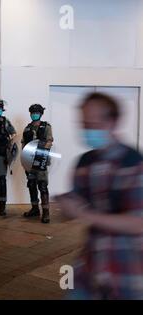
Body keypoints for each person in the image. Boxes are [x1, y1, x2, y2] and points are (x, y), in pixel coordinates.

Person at [56, 92, 143, 300]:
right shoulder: (84, 163)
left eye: (93, 124)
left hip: (126, 266)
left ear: (112, 122)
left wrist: (85, 213)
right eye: (83, 124)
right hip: (91, 264)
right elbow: (76, 207)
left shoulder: (133, 164)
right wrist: (66, 206)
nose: (87, 131)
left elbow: (138, 223)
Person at [21, 104, 54, 224]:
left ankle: (46, 213)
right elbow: (24, 144)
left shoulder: (46, 127)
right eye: (32, 112)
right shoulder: (27, 128)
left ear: (40, 114)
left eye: (37, 112)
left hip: (41, 160)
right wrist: (24, 159)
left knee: (43, 186)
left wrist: (42, 153)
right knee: (31, 185)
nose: (34, 114)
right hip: (29, 161)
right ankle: (35, 209)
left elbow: (49, 141)